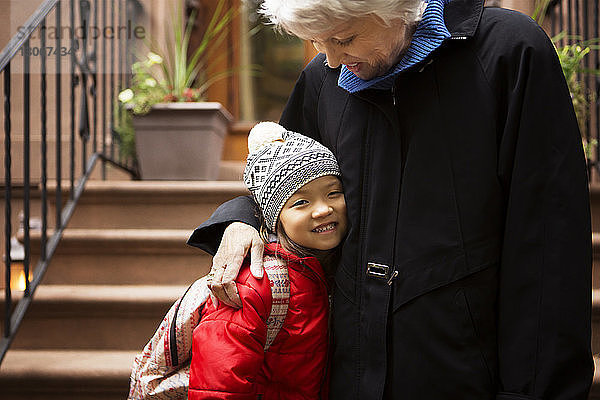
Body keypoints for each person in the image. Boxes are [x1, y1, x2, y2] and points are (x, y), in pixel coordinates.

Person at [187, 0, 593, 398]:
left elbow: (548, 238)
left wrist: (533, 391)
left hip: (463, 374)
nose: (331, 60)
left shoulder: (509, 51)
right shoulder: (324, 77)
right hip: (348, 373)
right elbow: (278, 181)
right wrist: (241, 220)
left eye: (343, 37)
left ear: (397, 8)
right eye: (318, 41)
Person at [187, 121, 347, 399]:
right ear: (275, 219)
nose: (323, 209)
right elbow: (217, 386)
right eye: (301, 202)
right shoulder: (254, 284)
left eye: (333, 193)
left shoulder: (334, 268)